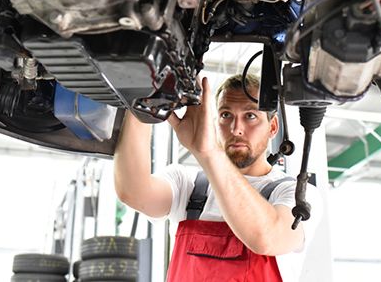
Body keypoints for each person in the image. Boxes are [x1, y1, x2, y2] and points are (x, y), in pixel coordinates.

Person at [114, 73, 322, 282]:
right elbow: (132, 191)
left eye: (250, 116)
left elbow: (267, 237)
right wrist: (143, 100)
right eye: (225, 115)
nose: (236, 129)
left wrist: (209, 153)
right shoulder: (188, 185)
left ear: (273, 127)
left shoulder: (297, 195)